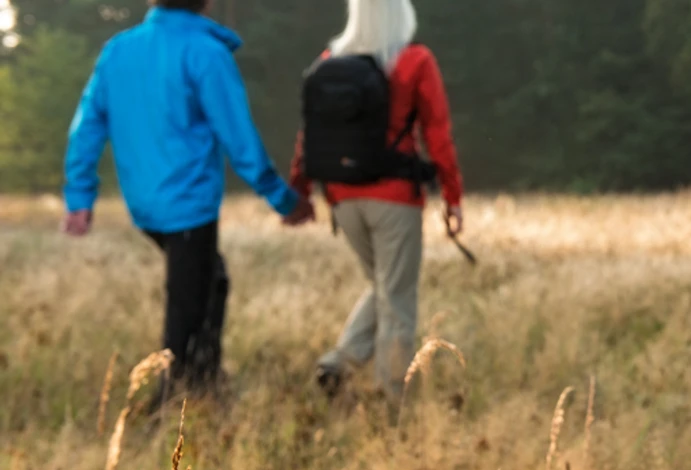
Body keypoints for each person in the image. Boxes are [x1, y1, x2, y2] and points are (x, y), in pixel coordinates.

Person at [63, 0, 315, 402]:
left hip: (145, 205)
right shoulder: (205, 53)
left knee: (212, 280)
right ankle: (168, 406)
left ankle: (206, 382)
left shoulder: (119, 49)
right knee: (187, 305)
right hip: (187, 205)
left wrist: (80, 195)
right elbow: (238, 137)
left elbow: (88, 124)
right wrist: (284, 199)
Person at [289, 0, 465, 400]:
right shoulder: (414, 60)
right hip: (395, 199)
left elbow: (308, 135)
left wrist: (299, 188)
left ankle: (340, 362)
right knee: (397, 295)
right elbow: (438, 133)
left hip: (341, 199)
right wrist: (452, 197)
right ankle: (391, 400)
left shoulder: (329, 60)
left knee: (385, 283)